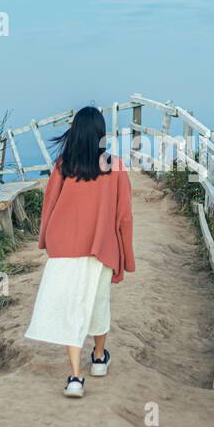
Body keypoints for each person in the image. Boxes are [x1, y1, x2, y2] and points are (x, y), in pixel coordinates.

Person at [24, 106, 135, 398]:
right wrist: (126, 258)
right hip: (100, 249)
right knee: (98, 304)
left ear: (75, 132)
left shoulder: (64, 165)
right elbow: (124, 217)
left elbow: (50, 204)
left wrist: (45, 239)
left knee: (72, 310)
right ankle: (98, 358)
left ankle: (75, 378)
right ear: (101, 135)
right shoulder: (115, 166)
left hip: (65, 248)